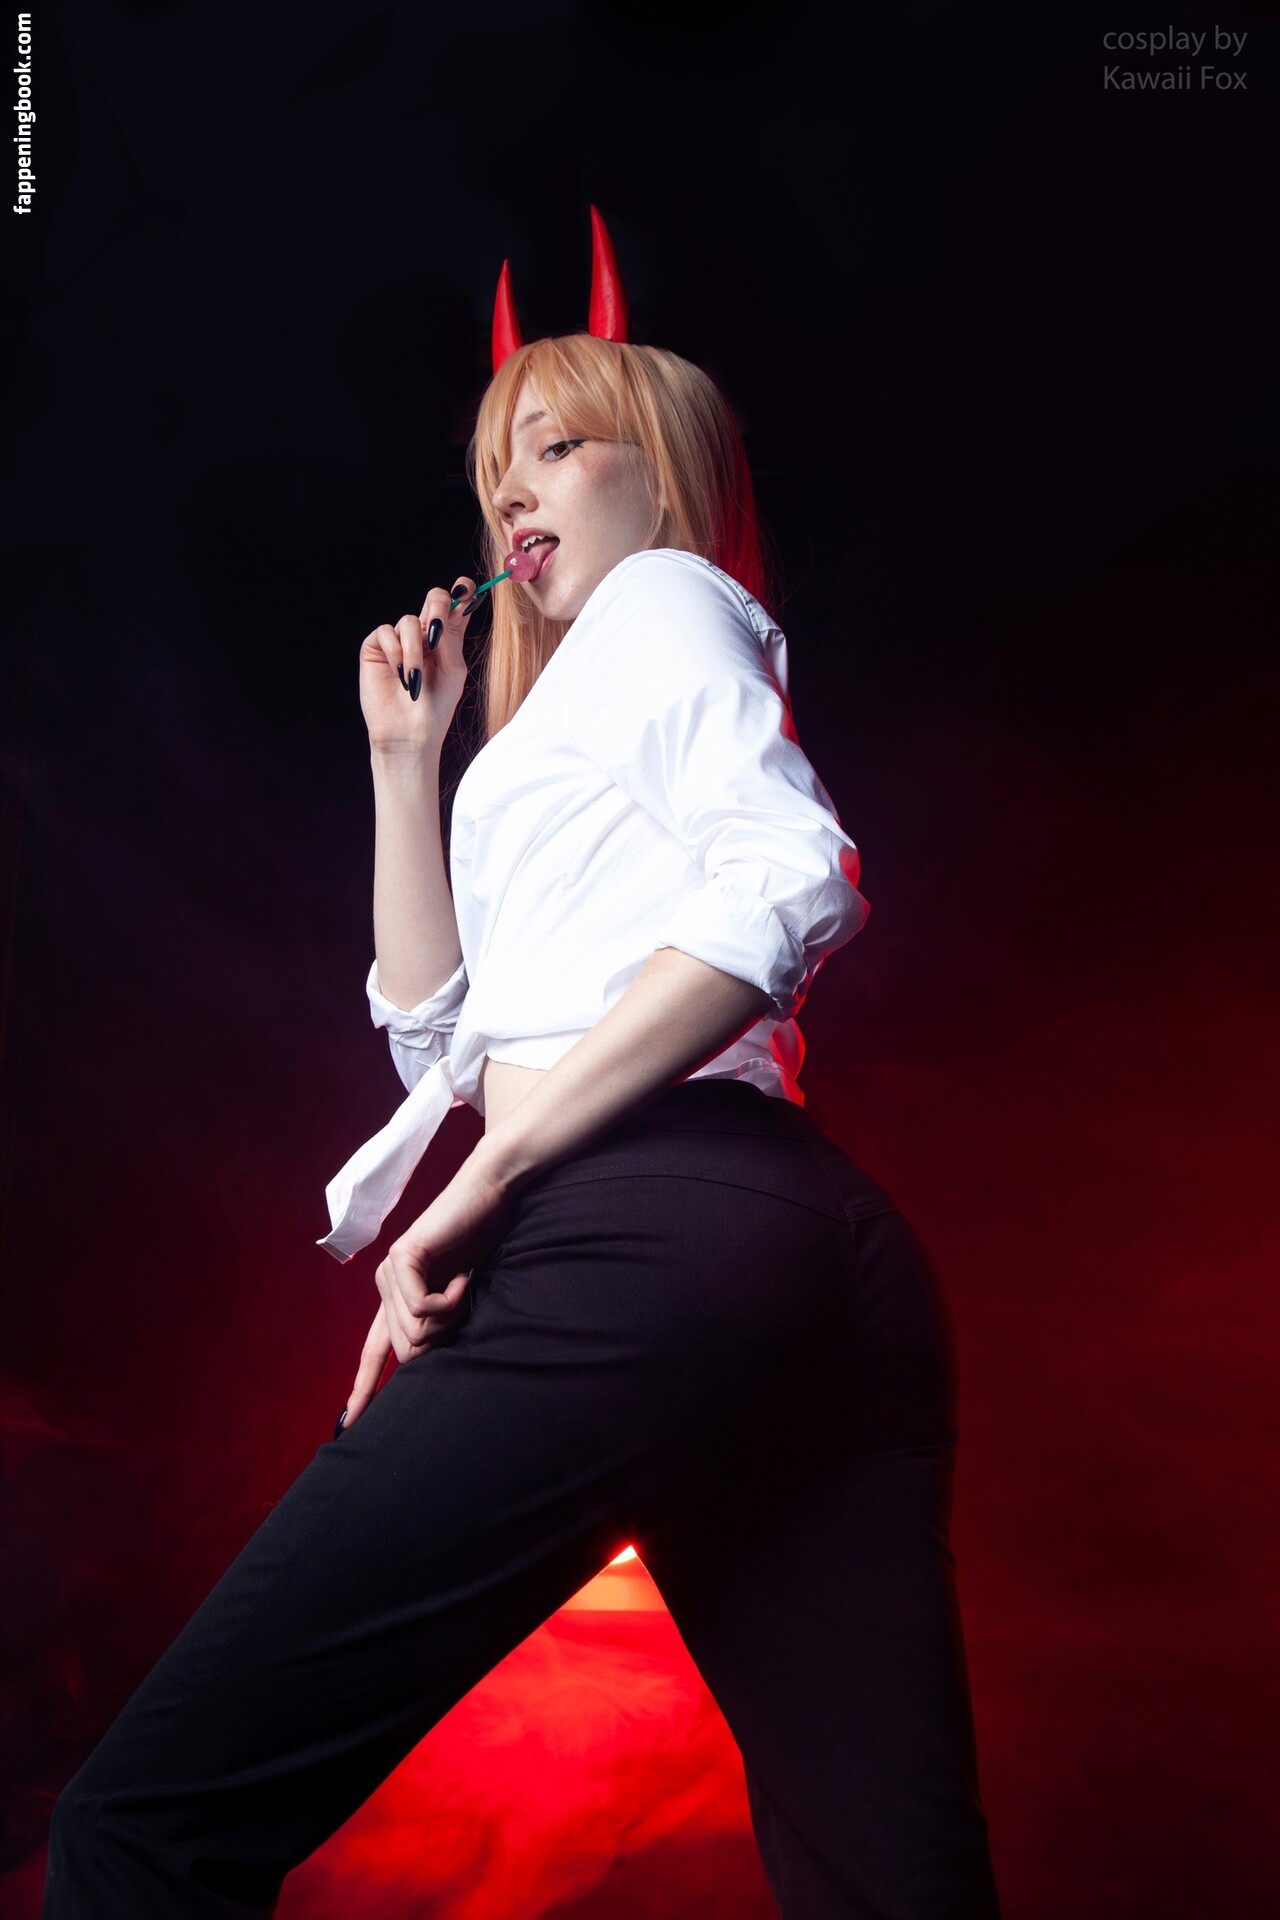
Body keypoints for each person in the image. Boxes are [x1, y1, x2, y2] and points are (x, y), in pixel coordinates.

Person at [43, 229, 1002, 1918]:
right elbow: (447, 1042)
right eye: (498, 469)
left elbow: (792, 872)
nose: (511, 493)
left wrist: (489, 1187)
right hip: (811, 1258)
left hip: (659, 1226)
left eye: (557, 446)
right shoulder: (560, 724)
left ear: (666, 474)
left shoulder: (664, 598)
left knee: (139, 1826)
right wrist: (403, 764)